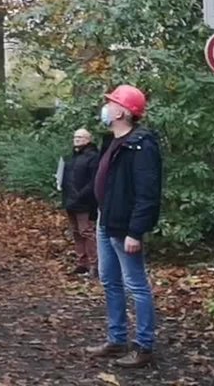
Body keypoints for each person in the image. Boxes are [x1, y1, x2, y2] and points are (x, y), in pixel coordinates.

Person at [85, 85, 162, 369]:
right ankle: (116, 339)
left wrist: (135, 231)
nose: (106, 107)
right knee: (109, 280)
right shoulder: (113, 142)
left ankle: (144, 346)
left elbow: (147, 193)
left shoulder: (141, 145)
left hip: (124, 227)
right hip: (106, 221)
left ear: (122, 112)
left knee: (136, 285)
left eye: (111, 103)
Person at [62, 128, 100, 276]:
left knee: (86, 232)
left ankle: (94, 265)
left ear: (88, 139)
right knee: (76, 232)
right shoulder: (72, 157)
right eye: (75, 137)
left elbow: (94, 181)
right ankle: (82, 263)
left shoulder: (93, 157)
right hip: (70, 201)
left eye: (81, 137)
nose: (77, 139)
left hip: (85, 202)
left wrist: (81, 195)